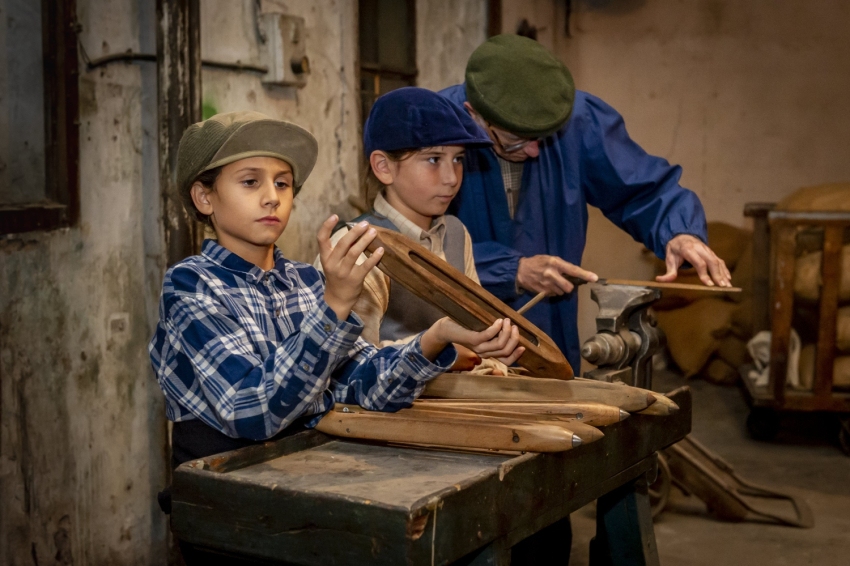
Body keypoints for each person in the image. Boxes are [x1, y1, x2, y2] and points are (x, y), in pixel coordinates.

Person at [148, 110, 523, 477]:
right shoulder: (191, 286)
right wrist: (335, 304)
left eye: (282, 183)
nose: (271, 198)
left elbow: (367, 386)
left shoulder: (306, 281)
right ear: (204, 198)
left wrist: (436, 337)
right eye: (250, 182)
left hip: (306, 481)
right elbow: (254, 412)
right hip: (228, 502)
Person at [440, 34, 732, 375]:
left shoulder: (577, 121)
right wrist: (512, 269)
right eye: (517, 139)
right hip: (459, 333)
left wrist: (678, 230)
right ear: (473, 115)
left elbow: (641, 189)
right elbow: (416, 242)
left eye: (542, 138)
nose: (534, 151)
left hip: (548, 327)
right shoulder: (434, 129)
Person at [322, 87, 522, 374]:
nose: (451, 178)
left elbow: (475, 327)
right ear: (383, 167)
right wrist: (442, 351)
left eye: (458, 159)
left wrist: (489, 357)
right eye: (433, 159)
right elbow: (347, 363)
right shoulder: (357, 244)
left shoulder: (454, 233)